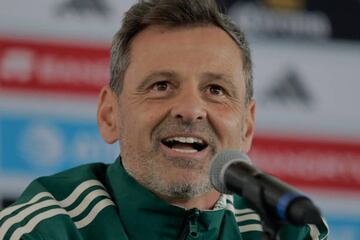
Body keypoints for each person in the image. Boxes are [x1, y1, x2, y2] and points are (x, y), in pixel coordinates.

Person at [0, 0, 328, 239]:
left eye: (215, 89)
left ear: (247, 126)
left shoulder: (290, 231)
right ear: (109, 115)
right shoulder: (44, 231)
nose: (190, 109)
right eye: (162, 86)